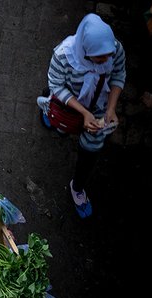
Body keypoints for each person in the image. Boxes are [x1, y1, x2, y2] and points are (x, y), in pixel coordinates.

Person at [37, 13, 126, 219]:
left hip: (99, 107)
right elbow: (57, 85)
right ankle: (50, 114)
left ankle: (77, 187)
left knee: (91, 149)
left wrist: (110, 109)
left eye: (108, 55)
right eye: (99, 57)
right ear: (85, 50)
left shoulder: (115, 49)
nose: (105, 60)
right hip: (69, 104)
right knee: (59, 123)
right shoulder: (63, 55)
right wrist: (83, 112)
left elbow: (119, 74)